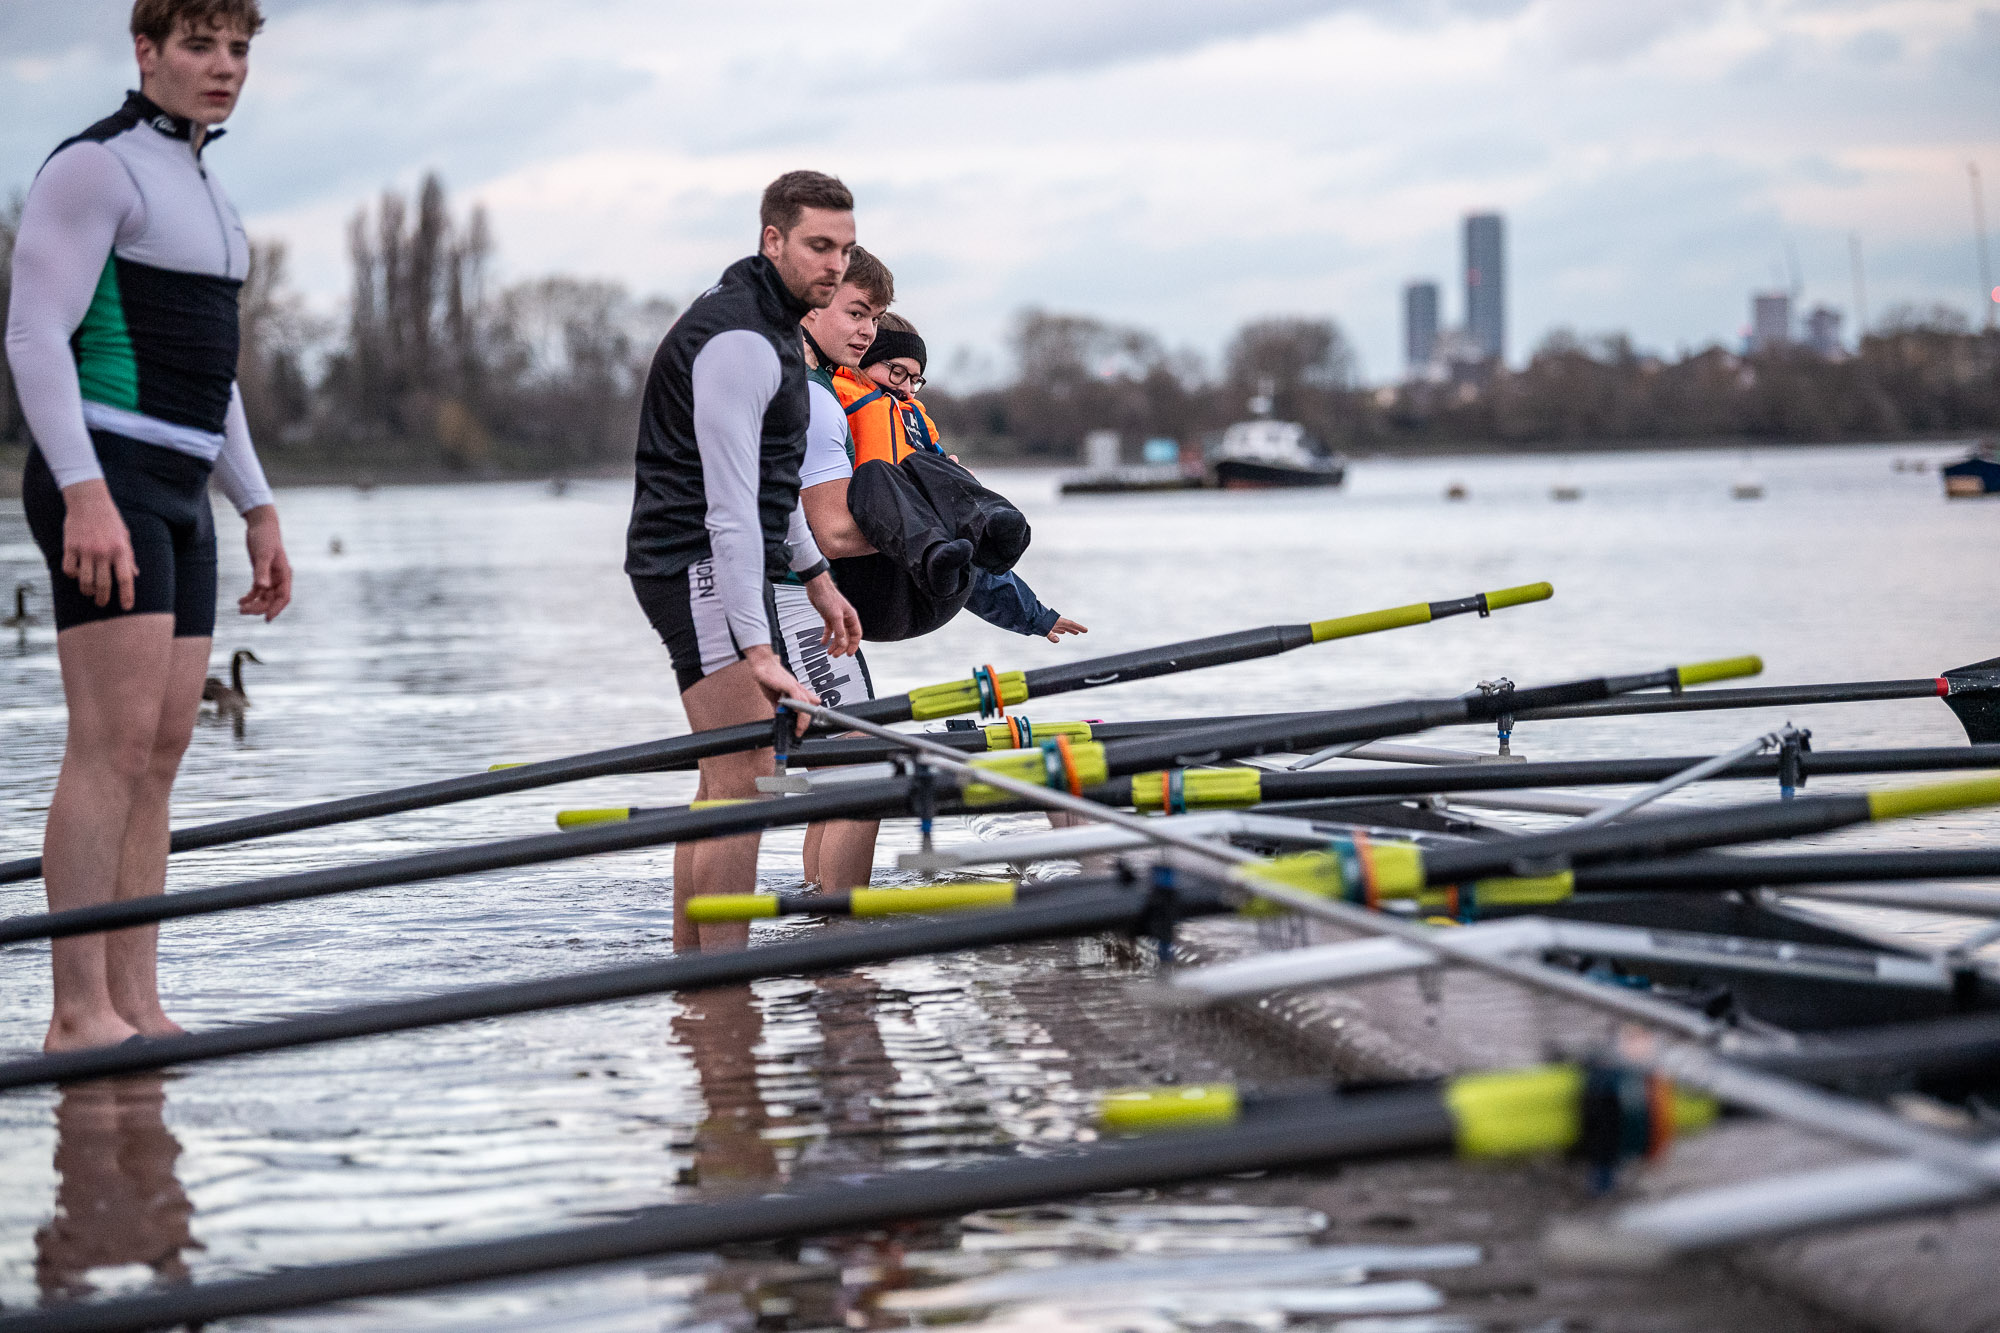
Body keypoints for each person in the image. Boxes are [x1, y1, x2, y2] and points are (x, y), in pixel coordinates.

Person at [6, 0, 294, 1053]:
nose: (223, 67)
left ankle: (136, 998)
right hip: (108, 473)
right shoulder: (98, 168)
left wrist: (256, 504)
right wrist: (82, 490)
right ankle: (77, 1012)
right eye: (200, 46)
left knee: (163, 751)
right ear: (147, 52)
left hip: (180, 486)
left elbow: (211, 384)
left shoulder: (211, 194)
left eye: (238, 48)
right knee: (109, 746)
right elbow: (35, 334)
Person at [783, 262, 1086, 891]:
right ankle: (843, 944)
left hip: (855, 596)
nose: (864, 333)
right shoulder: (817, 400)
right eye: (856, 315)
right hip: (804, 600)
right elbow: (833, 531)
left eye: (872, 318)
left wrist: (1033, 615)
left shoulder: (868, 410)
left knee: (838, 774)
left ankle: (817, 923)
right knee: (859, 778)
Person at [626, 170, 862, 952]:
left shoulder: (773, 328)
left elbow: (773, 487)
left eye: (845, 249)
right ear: (773, 240)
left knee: (723, 777)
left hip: (707, 558)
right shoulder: (738, 341)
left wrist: (819, 579)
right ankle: (719, 989)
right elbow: (730, 511)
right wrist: (758, 648)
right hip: (692, 558)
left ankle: (694, 980)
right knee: (746, 776)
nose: (833, 266)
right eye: (817, 246)